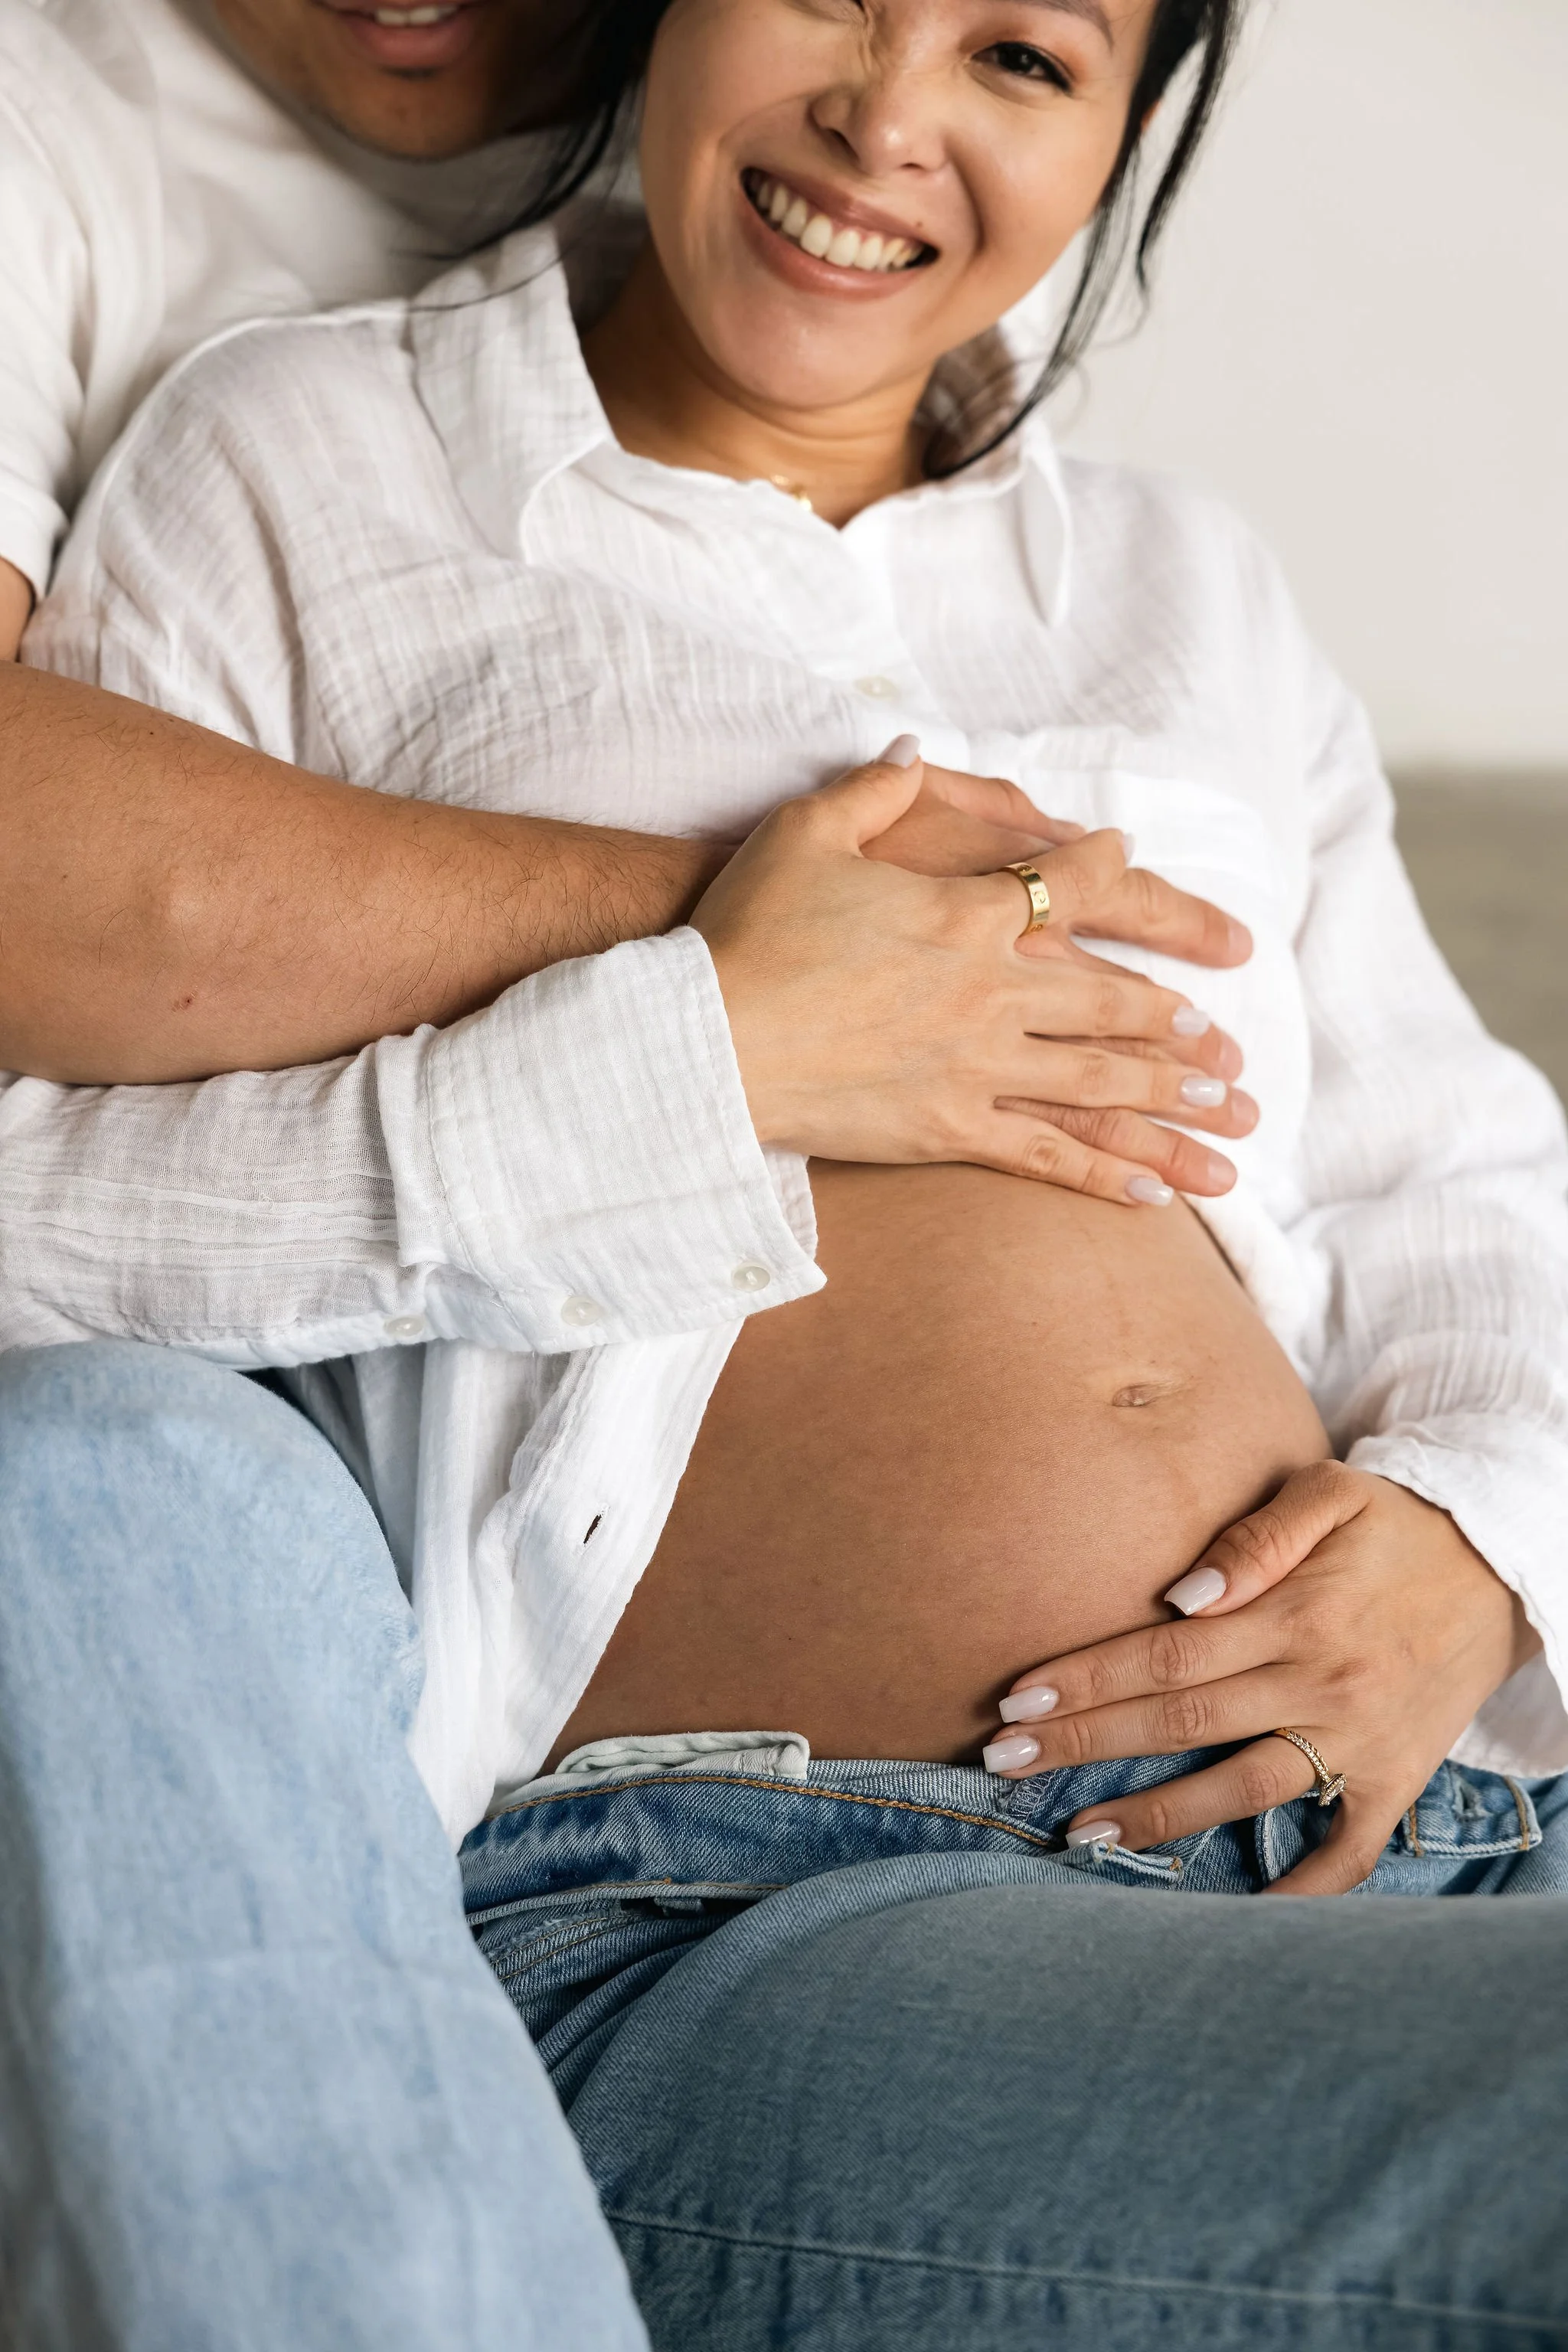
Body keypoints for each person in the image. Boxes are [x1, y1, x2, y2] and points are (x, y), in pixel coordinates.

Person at [11, 0, 1568, 2344]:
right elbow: (41, 1217)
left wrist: (1477, 1541)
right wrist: (698, 1054)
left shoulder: (1188, 582)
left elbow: (1461, 1185)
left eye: (1025, 56)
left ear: (1123, 138)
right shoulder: (299, 459)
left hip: (1444, 1822)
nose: (887, 112)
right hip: (766, 1908)